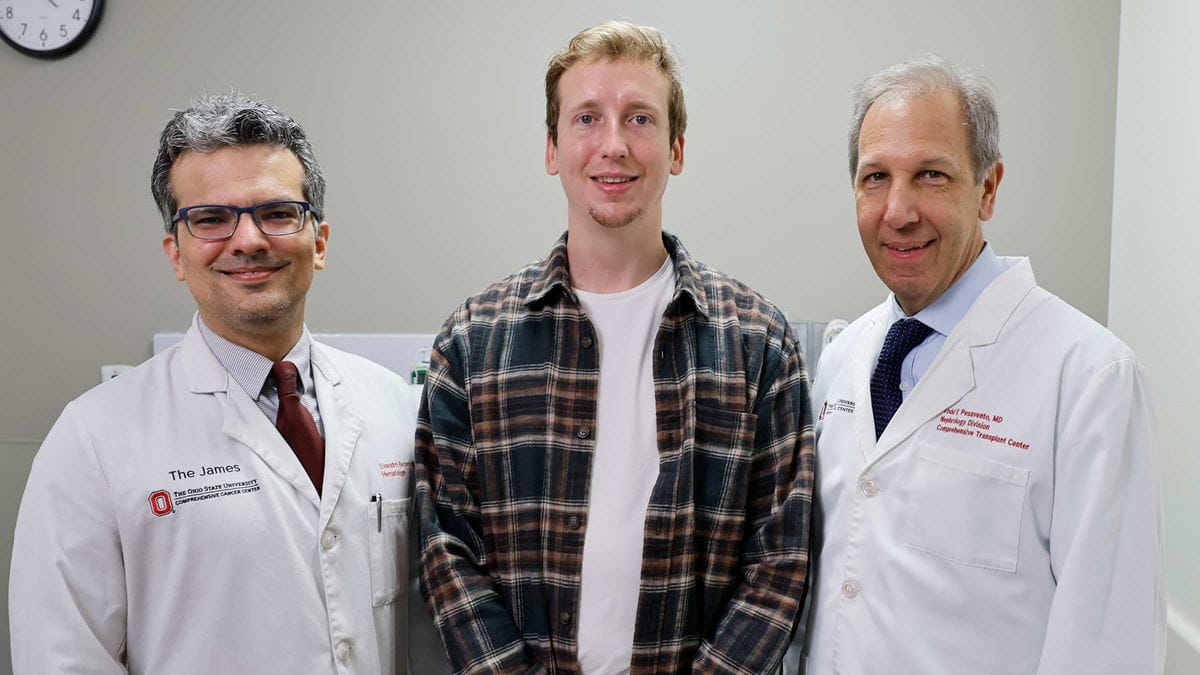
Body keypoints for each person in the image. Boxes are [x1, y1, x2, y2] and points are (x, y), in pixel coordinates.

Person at [414, 20, 814, 674]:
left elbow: (780, 560)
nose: (613, 145)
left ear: (677, 147)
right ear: (551, 147)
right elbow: (446, 549)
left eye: (639, 118)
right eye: (587, 119)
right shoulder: (472, 341)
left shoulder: (757, 342)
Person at [9, 93, 447, 674]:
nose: (248, 241)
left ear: (318, 241)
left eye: (276, 212)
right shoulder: (93, 437)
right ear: (177, 253)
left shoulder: (394, 406)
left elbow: (432, 622)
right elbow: (61, 658)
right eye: (210, 219)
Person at [797, 55, 1165, 673]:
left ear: (988, 189)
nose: (898, 211)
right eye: (875, 177)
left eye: (932, 176)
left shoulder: (1089, 378)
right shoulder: (842, 359)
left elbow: (1109, 641)